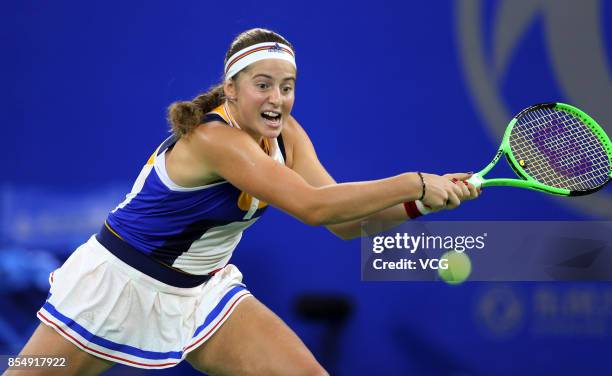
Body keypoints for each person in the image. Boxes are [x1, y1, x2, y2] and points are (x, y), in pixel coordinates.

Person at [13, 28, 479, 375]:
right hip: (116, 285)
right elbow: (315, 207)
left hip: (202, 293)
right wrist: (414, 181)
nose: (278, 98)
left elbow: (346, 222)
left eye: (287, 86)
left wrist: (422, 204)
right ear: (231, 89)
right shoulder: (216, 139)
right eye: (263, 84)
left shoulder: (287, 136)